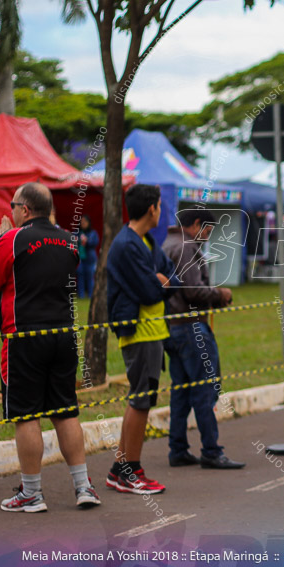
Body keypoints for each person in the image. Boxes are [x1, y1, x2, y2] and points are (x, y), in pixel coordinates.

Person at [0, 183, 101, 512]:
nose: (11, 210)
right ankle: (83, 486)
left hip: (24, 336)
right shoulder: (70, 241)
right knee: (65, 411)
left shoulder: (12, 239)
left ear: (24, 209)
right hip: (63, 334)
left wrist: (2, 237)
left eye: (14, 205)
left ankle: (32, 493)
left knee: (25, 416)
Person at [106, 184, 175, 495]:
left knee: (142, 399)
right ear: (152, 209)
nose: (161, 211)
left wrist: (159, 280)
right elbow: (150, 289)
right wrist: (158, 281)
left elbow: (168, 272)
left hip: (154, 330)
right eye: (160, 206)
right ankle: (130, 471)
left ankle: (119, 468)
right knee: (141, 401)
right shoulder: (126, 245)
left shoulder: (145, 241)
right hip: (139, 333)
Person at [162, 209, 245, 470]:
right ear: (196, 224)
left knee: (181, 391)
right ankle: (211, 450)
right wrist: (220, 294)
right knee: (204, 390)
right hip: (191, 327)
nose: (207, 237)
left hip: (172, 327)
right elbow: (193, 290)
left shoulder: (168, 244)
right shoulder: (186, 247)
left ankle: (178, 449)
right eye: (207, 231)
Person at [74, 215, 99, 298]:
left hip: (90, 259)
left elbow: (95, 243)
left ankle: (91, 295)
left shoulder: (93, 233)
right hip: (80, 258)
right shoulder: (77, 233)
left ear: (89, 223)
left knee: (90, 276)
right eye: (82, 222)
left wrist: (87, 241)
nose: (83, 223)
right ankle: (81, 295)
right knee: (80, 276)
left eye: (85, 222)